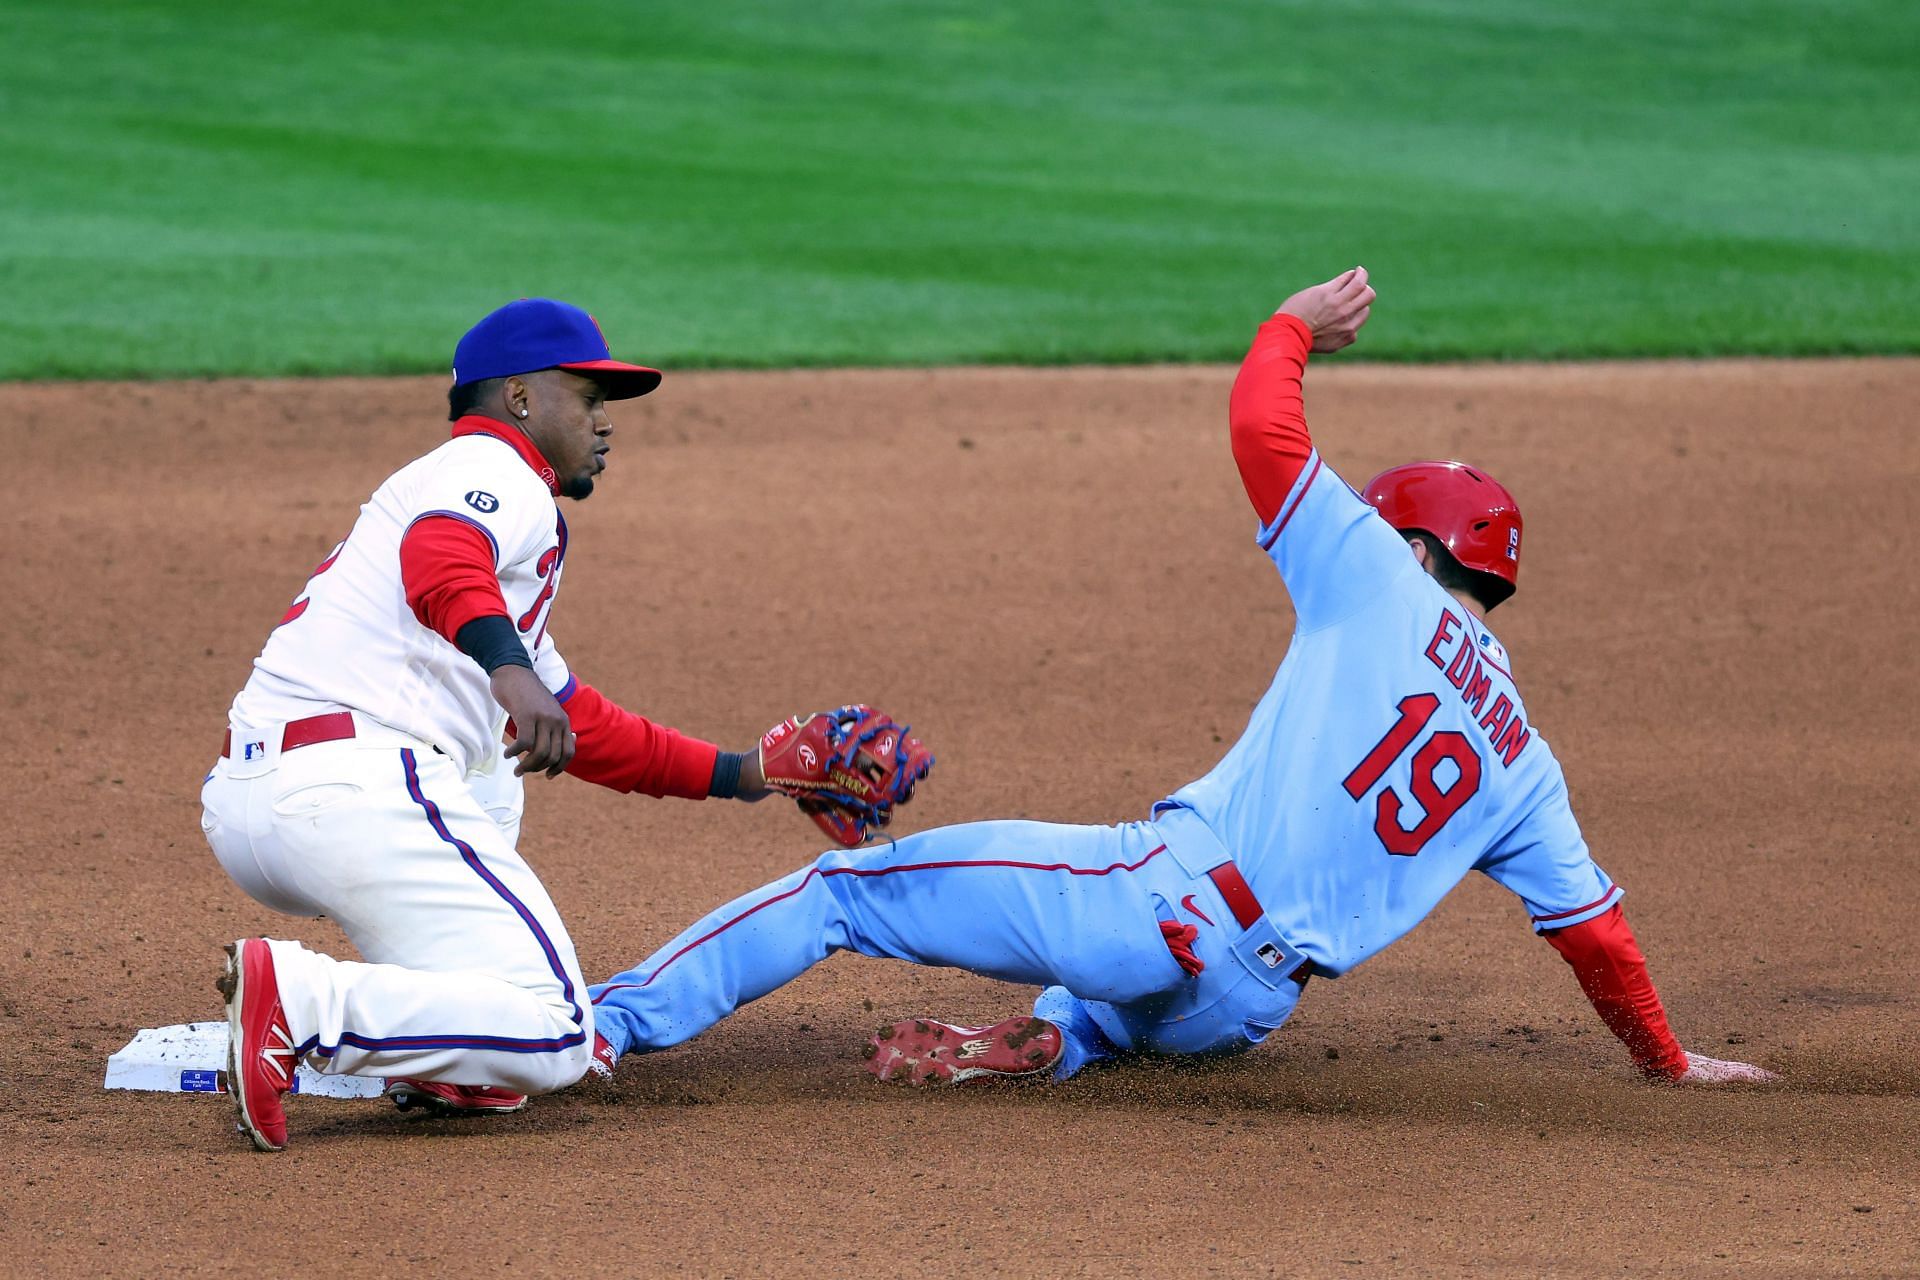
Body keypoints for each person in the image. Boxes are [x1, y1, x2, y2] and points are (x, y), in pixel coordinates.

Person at [585, 268, 1777, 1092]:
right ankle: (1069, 1035)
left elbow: (1265, 434)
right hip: (1242, 1013)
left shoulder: (1381, 578)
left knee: (845, 889)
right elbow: (1596, 934)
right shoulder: (1527, 760)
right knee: (1111, 994)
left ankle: (604, 1024)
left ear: (1417, 548)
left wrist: (1291, 325)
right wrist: (1668, 1061)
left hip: (1154, 902)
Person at [204, 299, 928, 1151]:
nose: (604, 424)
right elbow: (441, 556)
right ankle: (306, 1001)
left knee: (494, 774)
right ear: (518, 399)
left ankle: (457, 1064)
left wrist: (744, 773)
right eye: (587, 399)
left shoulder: (489, 548)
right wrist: (509, 674)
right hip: (357, 789)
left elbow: (577, 720)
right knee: (558, 1033)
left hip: (275, 804)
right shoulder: (490, 473)